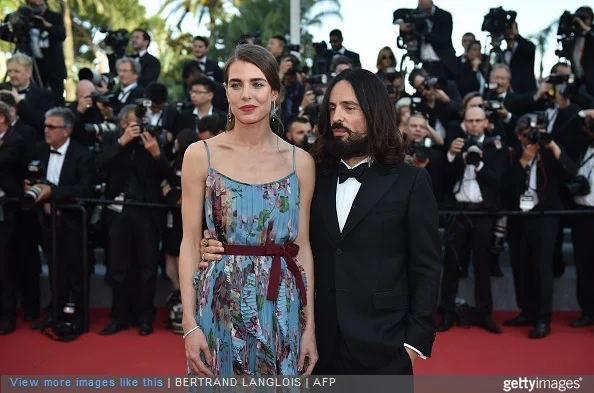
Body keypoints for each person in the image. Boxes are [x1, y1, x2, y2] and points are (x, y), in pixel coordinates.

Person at [201, 68, 442, 376]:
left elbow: (426, 267)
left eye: (349, 108)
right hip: (314, 345)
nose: (336, 117)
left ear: (375, 112)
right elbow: (272, 232)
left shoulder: (411, 181)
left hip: (385, 346)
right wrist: (208, 245)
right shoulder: (309, 173)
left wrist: (412, 347)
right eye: (331, 108)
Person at [179, 44, 317, 376]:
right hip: (219, 301)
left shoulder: (301, 163)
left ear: (274, 92)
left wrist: (309, 326)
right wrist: (188, 322)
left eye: (257, 84)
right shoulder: (201, 155)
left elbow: (304, 248)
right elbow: (188, 242)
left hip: (282, 303)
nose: (247, 95)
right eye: (236, 84)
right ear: (225, 91)